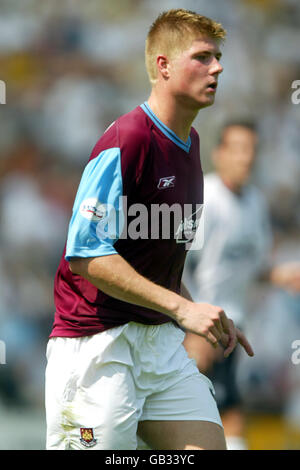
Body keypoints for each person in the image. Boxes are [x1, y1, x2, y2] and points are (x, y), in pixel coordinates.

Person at [45, 9, 254, 451]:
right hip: (99, 345)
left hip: (160, 346)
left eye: (218, 57)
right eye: (202, 57)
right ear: (163, 65)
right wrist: (183, 310)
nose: (217, 67)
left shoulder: (192, 144)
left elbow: (158, 260)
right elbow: (85, 255)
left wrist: (204, 315)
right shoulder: (128, 140)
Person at [183, 120, 300, 450]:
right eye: (237, 149)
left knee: (229, 420)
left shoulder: (255, 204)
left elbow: (253, 266)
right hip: (199, 330)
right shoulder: (203, 198)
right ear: (219, 154)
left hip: (232, 331)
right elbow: (175, 264)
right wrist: (190, 326)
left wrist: (281, 275)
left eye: (251, 150)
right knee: (191, 423)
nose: (245, 158)